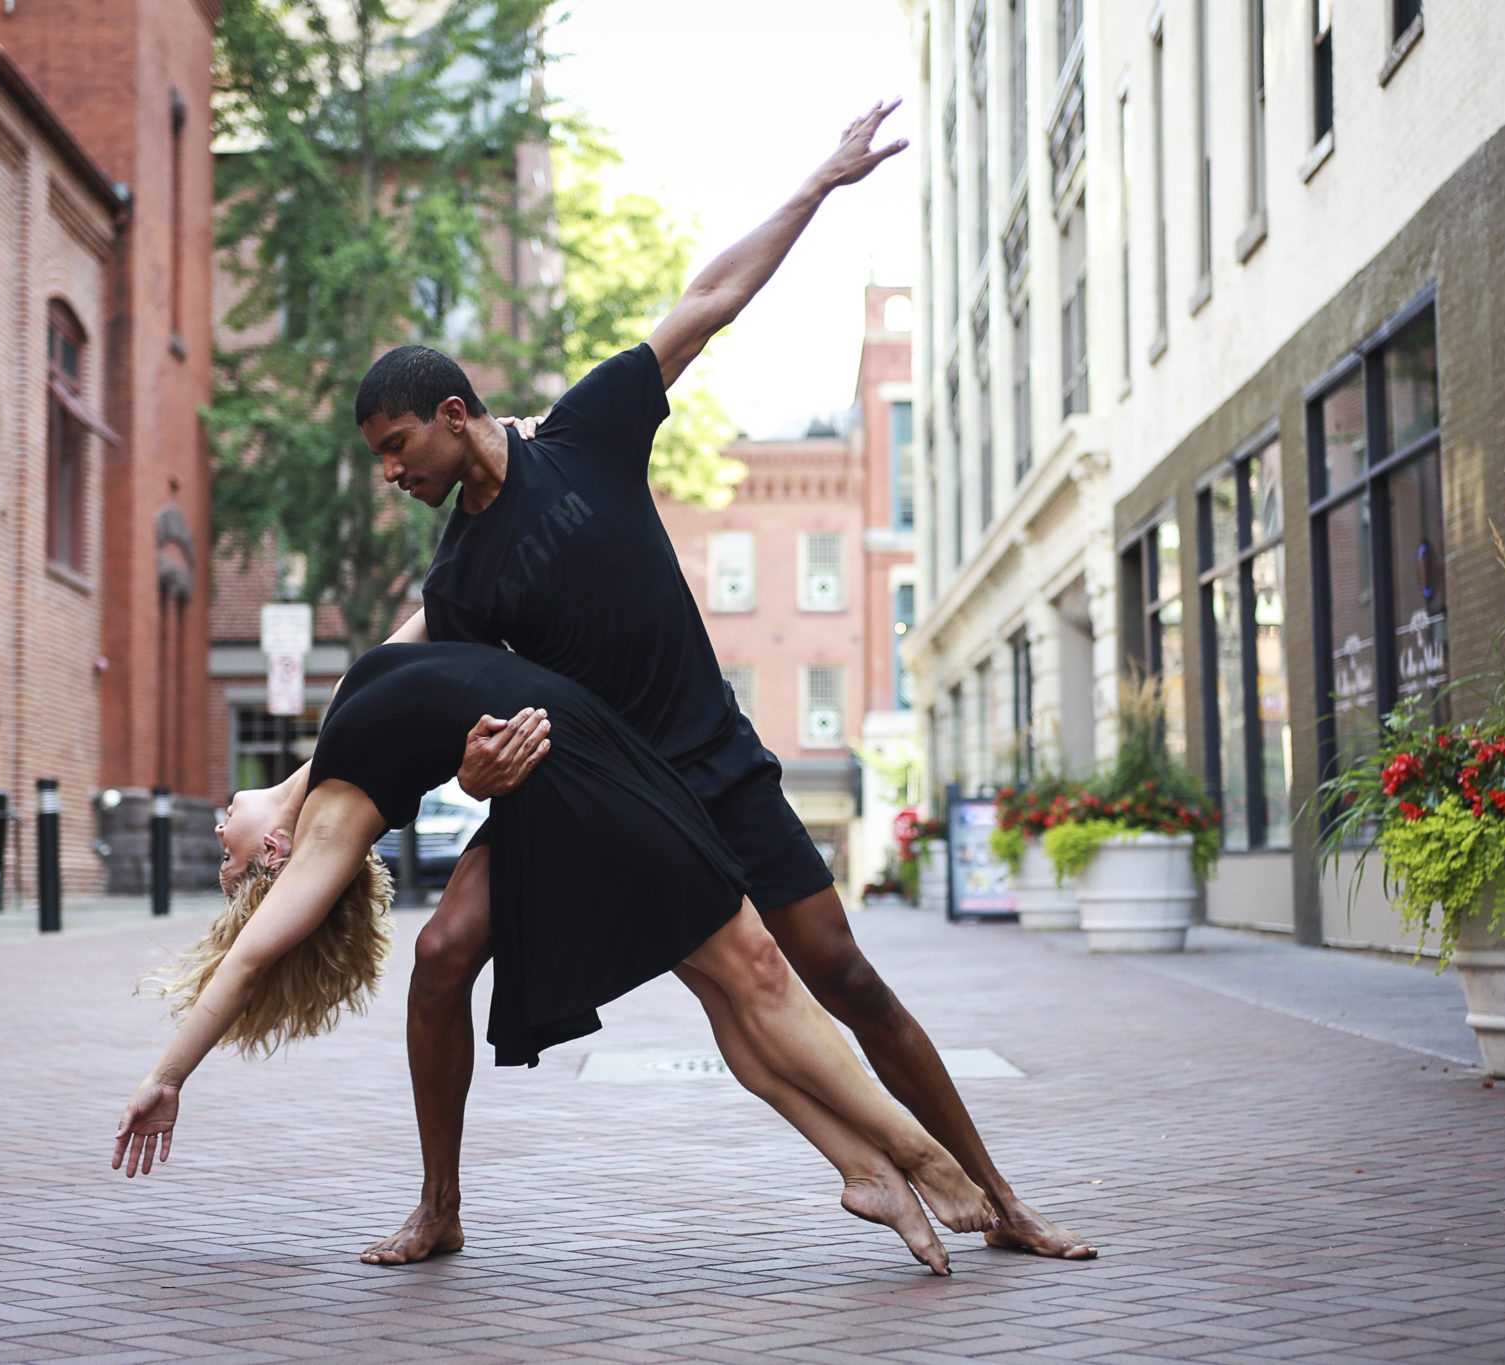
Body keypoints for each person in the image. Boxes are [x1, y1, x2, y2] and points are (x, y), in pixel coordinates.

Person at [345, 100, 1096, 1264]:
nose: (390, 474)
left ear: (455, 416)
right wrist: (320, 786)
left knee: (839, 971)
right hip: (590, 797)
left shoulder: (585, 433)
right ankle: (439, 1207)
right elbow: (401, 676)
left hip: (709, 767)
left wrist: (817, 182)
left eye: (397, 448)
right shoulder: (460, 573)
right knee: (441, 956)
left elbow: (705, 301)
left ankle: (999, 1197)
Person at [113, 642, 999, 1275]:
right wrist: (168, 1074)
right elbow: (249, 965)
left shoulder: (339, 718)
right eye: (233, 863)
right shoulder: (329, 832)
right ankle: (916, 1154)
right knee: (746, 969)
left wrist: (521, 443)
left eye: (219, 854)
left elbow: (434, 604)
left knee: (731, 986)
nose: (219, 839)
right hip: (570, 773)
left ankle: (866, 1170)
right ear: (272, 855)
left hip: (580, 752)